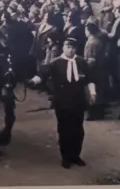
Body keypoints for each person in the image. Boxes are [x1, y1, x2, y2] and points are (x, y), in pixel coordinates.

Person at [28, 37, 96, 169]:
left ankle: (76, 156)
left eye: (73, 48)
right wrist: (33, 81)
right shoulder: (55, 63)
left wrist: (92, 93)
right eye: (68, 47)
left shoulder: (81, 62)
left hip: (78, 101)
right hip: (62, 101)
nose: (70, 50)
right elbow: (42, 74)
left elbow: (90, 79)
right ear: (63, 48)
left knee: (78, 130)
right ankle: (66, 157)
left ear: (76, 49)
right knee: (64, 129)